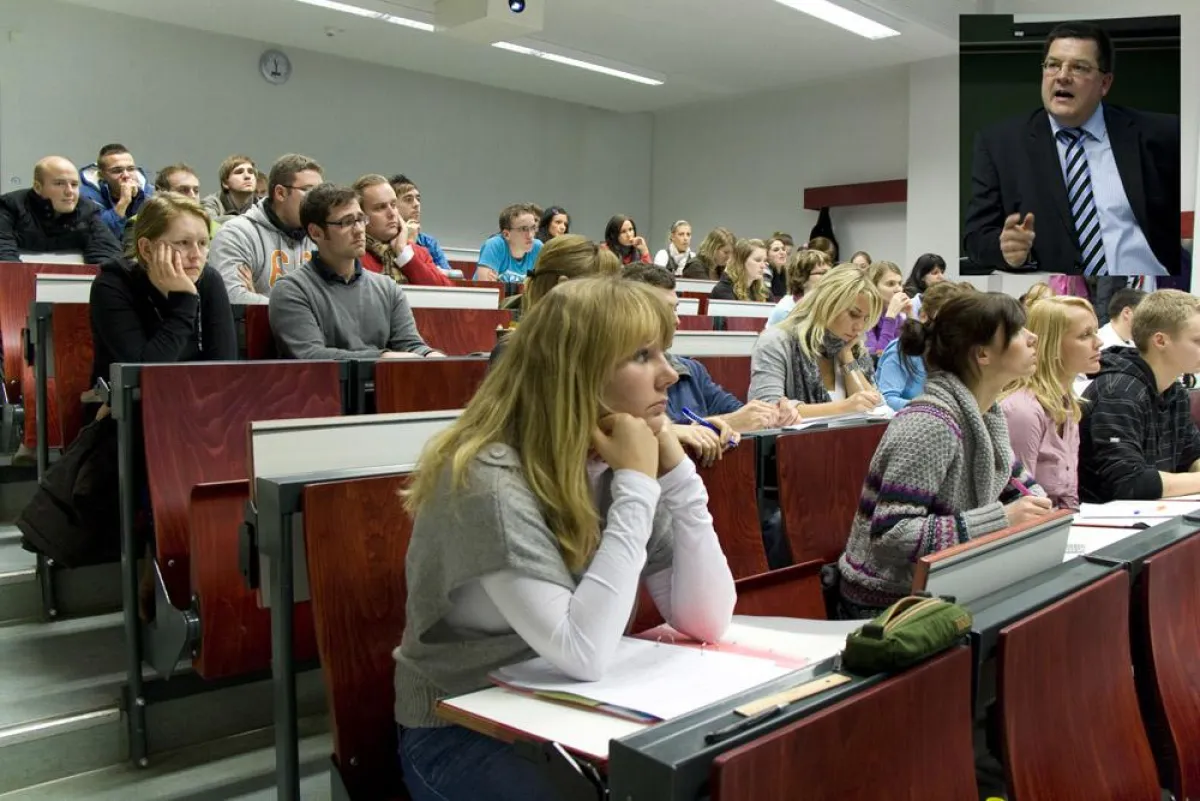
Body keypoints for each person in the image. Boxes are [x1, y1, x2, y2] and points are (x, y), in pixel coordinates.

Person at [394, 276, 737, 801]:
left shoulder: (616, 459)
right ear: (578, 372)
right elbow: (582, 651)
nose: (671, 374)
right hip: (463, 727)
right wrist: (639, 486)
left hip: (573, 709)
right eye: (642, 356)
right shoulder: (488, 477)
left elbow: (705, 620)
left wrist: (680, 480)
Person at [838, 292, 1048, 617]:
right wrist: (1002, 519)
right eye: (1018, 331)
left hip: (942, 587)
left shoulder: (985, 415)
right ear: (982, 354)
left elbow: (1022, 486)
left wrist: (1039, 510)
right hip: (889, 605)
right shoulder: (928, 424)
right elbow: (893, 534)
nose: (1032, 337)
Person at [962, 22, 1180, 279]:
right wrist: (1006, 249)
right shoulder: (999, 144)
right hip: (1057, 295)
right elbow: (975, 237)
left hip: (1153, 287)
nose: (1062, 76)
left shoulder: (1164, 134)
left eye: (1079, 67)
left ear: (1105, 83)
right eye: (1053, 65)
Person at [268, 184, 440, 361]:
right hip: (330, 380)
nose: (359, 230)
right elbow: (312, 355)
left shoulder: (387, 288)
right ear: (316, 232)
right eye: (347, 222)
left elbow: (411, 345)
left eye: (360, 219)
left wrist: (431, 356)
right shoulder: (292, 290)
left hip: (386, 377)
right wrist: (382, 357)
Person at [624, 263, 800, 434]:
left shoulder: (692, 371)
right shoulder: (621, 377)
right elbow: (642, 435)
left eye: (675, 309)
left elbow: (739, 412)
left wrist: (772, 414)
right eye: (664, 311)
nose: (676, 320)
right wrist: (725, 423)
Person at [88, 193, 236, 384]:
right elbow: (143, 375)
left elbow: (225, 369)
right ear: (146, 249)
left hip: (198, 396)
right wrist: (185, 302)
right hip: (128, 399)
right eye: (183, 243)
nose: (196, 255)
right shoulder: (112, 285)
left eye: (203, 243)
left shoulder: (209, 279)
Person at [1079, 290, 1200, 502]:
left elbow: (1192, 456)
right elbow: (1128, 483)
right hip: (1106, 517)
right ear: (1160, 341)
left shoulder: (1175, 392)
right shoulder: (1117, 392)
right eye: (1198, 341)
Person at [1000, 297, 1101, 509]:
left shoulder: (1068, 404)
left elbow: (1070, 498)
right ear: (1052, 345)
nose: (1098, 342)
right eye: (1085, 335)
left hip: (1059, 522)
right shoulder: (1023, 411)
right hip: (1033, 526)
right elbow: (1020, 501)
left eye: (1095, 332)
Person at [749, 264, 883, 417]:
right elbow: (767, 411)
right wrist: (844, 408)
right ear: (827, 303)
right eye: (853, 314)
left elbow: (875, 407)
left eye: (866, 319)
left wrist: (847, 358)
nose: (859, 327)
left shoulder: (853, 348)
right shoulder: (775, 342)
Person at [209, 153, 324, 303]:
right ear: (280, 193)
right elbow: (233, 297)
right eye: (309, 191)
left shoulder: (323, 236)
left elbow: (338, 300)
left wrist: (259, 300)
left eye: (320, 192)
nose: (318, 200)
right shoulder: (236, 234)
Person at [0, 156, 122, 263]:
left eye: (74, 184)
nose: (69, 192)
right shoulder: (10, 206)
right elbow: (4, 259)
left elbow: (110, 259)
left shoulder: (87, 211)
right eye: (59, 184)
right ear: (37, 187)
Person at [876, 281, 966, 411]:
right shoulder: (901, 349)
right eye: (946, 319)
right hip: (908, 420)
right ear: (923, 316)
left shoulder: (955, 352)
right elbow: (887, 400)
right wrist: (933, 409)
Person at [354, 174, 452, 287]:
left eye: (393, 205)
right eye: (380, 207)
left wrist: (403, 254)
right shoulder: (352, 256)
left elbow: (446, 291)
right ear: (362, 217)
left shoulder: (418, 251)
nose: (392, 213)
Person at [79, 144, 154, 240]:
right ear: (101, 175)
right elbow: (100, 235)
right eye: (117, 171)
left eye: (131, 169)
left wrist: (139, 198)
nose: (126, 175)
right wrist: (124, 202)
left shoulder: (149, 193)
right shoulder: (86, 197)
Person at [389, 175, 452, 273]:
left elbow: (451, 276)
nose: (417, 204)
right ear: (393, 206)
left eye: (418, 199)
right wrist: (409, 242)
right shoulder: (385, 239)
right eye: (408, 199)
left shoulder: (428, 242)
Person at [475, 203, 543, 283]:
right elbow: (487, 286)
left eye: (533, 228)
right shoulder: (494, 245)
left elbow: (546, 284)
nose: (530, 235)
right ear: (506, 234)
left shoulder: (538, 247)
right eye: (524, 229)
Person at [765, 249, 831, 327]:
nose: (829, 277)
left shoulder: (829, 306)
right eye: (822, 273)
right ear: (802, 278)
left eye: (830, 272)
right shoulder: (785, 311)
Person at [865, 261, 910, 355]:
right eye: (890, 284)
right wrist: (890, 317)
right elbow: (878, 355)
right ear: (873, 287)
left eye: (900, 283)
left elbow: (910, 350)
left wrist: (910, 315)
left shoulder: (897, 314)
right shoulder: (864, 315)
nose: (899, 289)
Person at [201, 154, 258, 223]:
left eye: (251, 172)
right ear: (225, 183)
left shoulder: (263, 205)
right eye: (239, 172)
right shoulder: (210, 204)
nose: (247, 176)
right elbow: (209, 225)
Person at [902, 253, 946, 319]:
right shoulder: (910, 297)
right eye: (935, 273)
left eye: (942, 272)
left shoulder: (941, 293)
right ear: (921, 276)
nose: (941, 277)